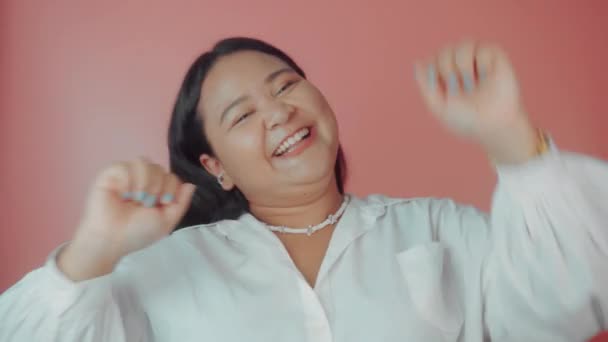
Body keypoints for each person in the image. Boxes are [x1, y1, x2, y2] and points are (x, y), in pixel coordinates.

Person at [0, 36, 606, 342]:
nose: (278, 113)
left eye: (285, 85)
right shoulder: (165, 269)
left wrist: (510, 137)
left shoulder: (438, 228)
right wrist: (95, 249)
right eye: (242, 115)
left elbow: (568, 305)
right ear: (217, 167)